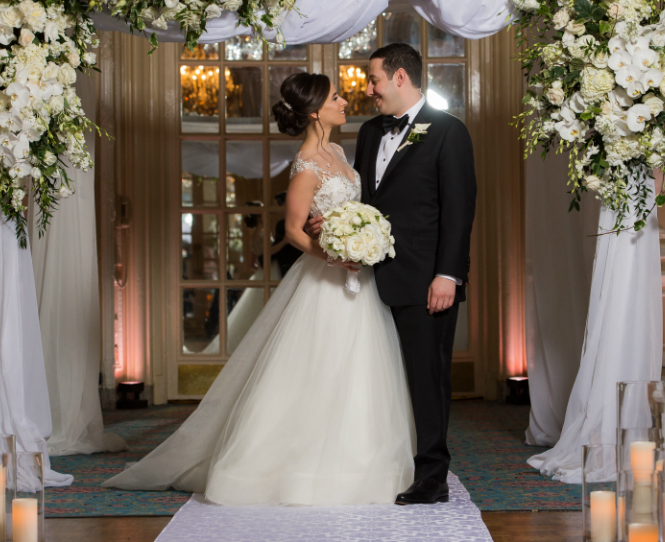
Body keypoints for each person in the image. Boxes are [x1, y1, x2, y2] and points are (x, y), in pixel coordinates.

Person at [102, 72, 415, 506]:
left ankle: (361, 463)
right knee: (318, 369)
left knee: (360, 371)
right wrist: (335, 254)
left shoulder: (340, 151)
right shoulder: (305, 164)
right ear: (313, 111)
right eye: (336, 97)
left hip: (358, 283)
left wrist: (363, 234)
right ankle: (295, 468)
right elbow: (291, 231)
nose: (345, 101)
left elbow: (350, 208)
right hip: (325, 282)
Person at [307, 42, 476, 505]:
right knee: (381, 379)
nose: (369, 89)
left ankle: (431, 478)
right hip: (369, 278)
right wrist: (335, 222)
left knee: (427, 377)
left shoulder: (448, 132)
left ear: (400, 78)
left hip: (427, 281)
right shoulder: (368, 132)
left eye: (374, 79)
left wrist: (448, 275)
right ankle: (386, 464)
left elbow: (459, 212)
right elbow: (365, 200)